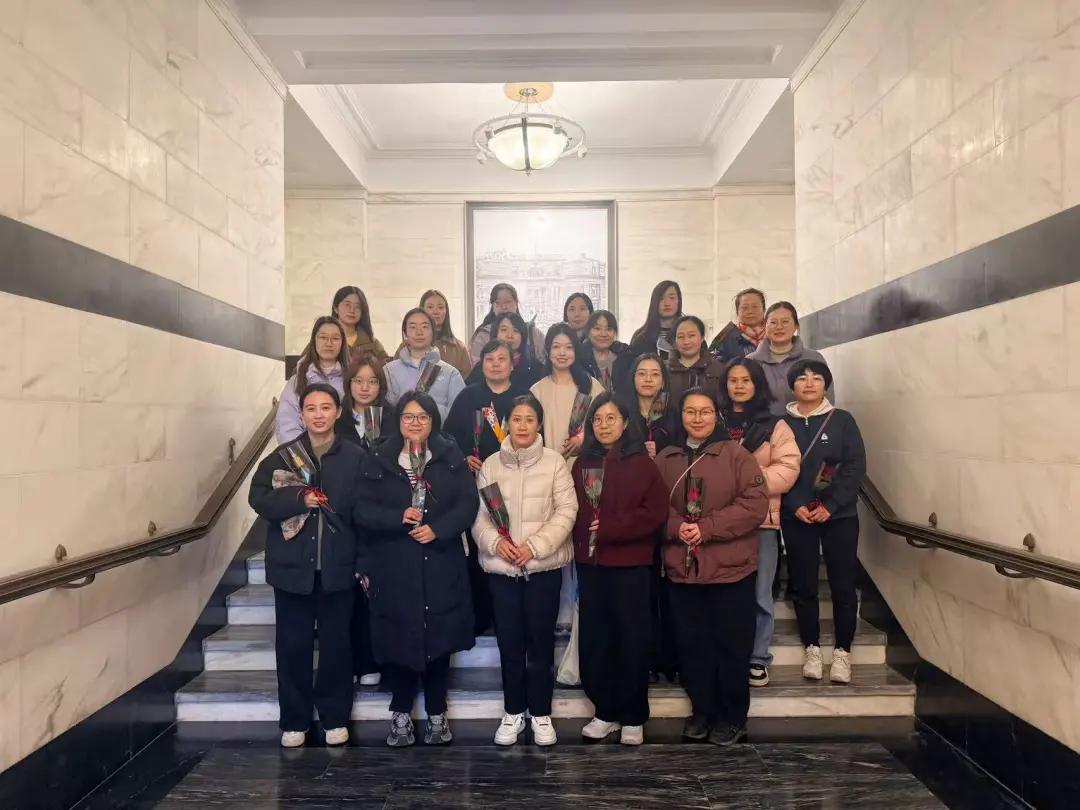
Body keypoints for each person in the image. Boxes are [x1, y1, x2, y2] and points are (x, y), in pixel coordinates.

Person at [356, 392, 479, 747]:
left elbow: (467, 504)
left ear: (433, 421)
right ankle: (400, 713)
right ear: (398, 421)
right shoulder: (378, 458)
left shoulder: (449, 455)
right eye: (408, 416)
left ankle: (437, 712)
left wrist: (438, 529)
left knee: (439, 638)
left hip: (440, 559)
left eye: (422, 416)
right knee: (398, 636)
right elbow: (361, 509)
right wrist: (397, 517)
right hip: (394, 563)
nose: (415, 423)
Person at [249, 383, 365, 749]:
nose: (318, 414)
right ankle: (294, 720)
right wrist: (298, 499)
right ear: (301, 414)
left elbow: (365, 513)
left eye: (326, 407)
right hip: (292, 571)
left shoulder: (355, 457)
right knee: (292, 647)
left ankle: (334, 717)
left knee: (337, 646)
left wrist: (362, 562)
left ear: (338, 412)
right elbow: (259, 499)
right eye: (311, 408)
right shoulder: (282, 457)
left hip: (337, 568)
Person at [655, 388, 769, 746]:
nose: (697, 418)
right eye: (690, 411)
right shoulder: (666, 458)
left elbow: (755, 505)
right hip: (682, 570)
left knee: (731, 646)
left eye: (705, 411)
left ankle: (732, 717)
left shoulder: (736, 455)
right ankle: (702, 710)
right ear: (680, 415)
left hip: (730, 570)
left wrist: (708, 527)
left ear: (716, 415)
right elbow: (651, 505)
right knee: (692, 645)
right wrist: (676, 526)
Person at [472, 395, 578, 747]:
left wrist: (533, 547)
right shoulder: (492, 464)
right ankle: (513, 711)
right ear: (506, 423)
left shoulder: (554, 463)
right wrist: (495, 544)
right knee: (510, 643)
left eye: (529, 419)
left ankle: (541, 712)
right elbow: (479, 516)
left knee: (540, 642)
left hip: (541, 569)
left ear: (539, 424)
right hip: (502, 570)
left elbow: (566, 511)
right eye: (516, 419)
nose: (522, 425)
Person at [571, 393, 666, 745]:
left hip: (630, 564)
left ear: (625, 423)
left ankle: (633, 715)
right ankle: (605, 711)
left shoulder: (642, 463)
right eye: (597, 419)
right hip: (591, 565)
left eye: (611, 418)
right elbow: (571, 508)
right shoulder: (582, 463)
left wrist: (612, 528)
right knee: (596, 639)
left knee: (632, 639)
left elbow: (655, 513)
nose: (604, 425)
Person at [782, 360, 865, 686]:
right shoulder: (780, 424)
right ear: (792, 386)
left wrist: (831, 505)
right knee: (804, 585)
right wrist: (794, 504)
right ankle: (812, 649)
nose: (809, 383)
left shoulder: (842, 420)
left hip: (838, 516)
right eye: (802, 378)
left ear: (826, 384)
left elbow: (855, 466)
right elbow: (775, 468)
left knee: (843, 584)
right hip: (797, 515)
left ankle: (843, 652)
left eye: (816, 378)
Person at [719, 358, 800, 688]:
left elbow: (788, 469)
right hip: (719, 520)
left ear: (757, 385)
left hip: (761, 522)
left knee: (760, 593)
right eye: (733, 380)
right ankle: (725, 652)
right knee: (723, 592)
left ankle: (757, 657)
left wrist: (747, 480)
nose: (739, 386)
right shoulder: (714, 419)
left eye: (746, 380)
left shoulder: (775, 425)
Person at [445, 339, 528, 634]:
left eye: (501, 359)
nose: (495, 364)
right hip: (476, 483)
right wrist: (462, 457)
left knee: (513, 542)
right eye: (489, 359)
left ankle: (514, 617)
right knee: (481, 546)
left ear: (512, 363)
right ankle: (480, 617)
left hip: (517, 483)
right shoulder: (469, 396)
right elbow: (447, 437)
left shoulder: (523, 396)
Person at [530, 324, 605, 635]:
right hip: (548, 475)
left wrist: (585, 438)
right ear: (547, 351)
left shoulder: (591, 387)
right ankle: (560, 613)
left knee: (580, 539)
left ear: (577, 350)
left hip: (585, 472)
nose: (562, 353)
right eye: (556, 347)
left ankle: (579, 611)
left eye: (569, 347)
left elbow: (605, 423)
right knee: (555, 539)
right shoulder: (537, 390)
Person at [618, 352, 678, 684]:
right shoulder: (622, 412)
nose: (648, 379)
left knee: (669, 586)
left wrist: (662, 453)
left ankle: (669, 656)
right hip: (633, 506)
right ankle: (645, 657)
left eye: (655, 374)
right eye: (642, 373)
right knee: (642, 589)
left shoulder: (673, 414)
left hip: (670, 502)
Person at [748, 302, 833, 416]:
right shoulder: (751, 361)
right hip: (763, 425)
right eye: (773, 322)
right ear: (765, 326)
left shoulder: (814, 358)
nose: (779, 327)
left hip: (807, 424)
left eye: (785, 321)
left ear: (796, 326)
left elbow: (827, 398)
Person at [277, 317, 349, 444]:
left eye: (335, 338)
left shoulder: (352, 379)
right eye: (323, 337)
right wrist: (303, 454)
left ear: (342, 343)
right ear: (314, 340)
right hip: (306, 453)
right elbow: (286, 424)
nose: (329, 343)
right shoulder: (298, 380)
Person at [384, 308, 466, 420]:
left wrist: (430, 413)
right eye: (413, 327)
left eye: (425, 326)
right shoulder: (389, 371)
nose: (419, 332)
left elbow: (460, 413)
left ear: (433, 331)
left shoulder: (450, 373)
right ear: (405, 332)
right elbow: (385, 412)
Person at [394, 290, 472, 378]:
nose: (435, 311)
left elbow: (466, 381)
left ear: (446, 312)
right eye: (430, 307)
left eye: (440, 307)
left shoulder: (459, 348)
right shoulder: (406, 347)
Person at [469, 283, 545, 364]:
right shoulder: (483, 335)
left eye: (508, 302)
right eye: (498, 303)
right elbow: (477, 365)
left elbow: (543, 363)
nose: (504, 307)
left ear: (516, 304)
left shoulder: (533, 333)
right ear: (493, 307)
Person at [466, 312, 544, 390]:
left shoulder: (535, 369)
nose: (509, 335)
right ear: (495, 335)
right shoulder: (482, 367)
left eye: (515, 330)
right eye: (504, 330)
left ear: (523, 336)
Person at [336, 354, 394, 451]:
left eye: (372, 382)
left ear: (380, 385)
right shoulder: (337, 417)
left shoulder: (392, 417)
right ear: (349, 383)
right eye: (358, 381)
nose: (365, 388)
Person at [667, 315, 724, 406]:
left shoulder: (717, 369)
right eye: (681, 336)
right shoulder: (664, 370)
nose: (686, 341)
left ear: (702, 338)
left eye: (692, 335)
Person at [331, 286, 389, 364]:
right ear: (335, 308)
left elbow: (387, 367)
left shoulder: (372, 343)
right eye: (347, 305)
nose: (352, 310)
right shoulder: (325, 340)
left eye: (357, 307)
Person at [627, 280, 683, 360]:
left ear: (679, 301)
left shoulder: (689, 333)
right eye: (661, 298)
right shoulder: (640, 337)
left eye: (672, 298)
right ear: (654, 302)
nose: (667, 303)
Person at [709, 288, 768, 363]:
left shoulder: (774, 333)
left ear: (764, 310)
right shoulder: (724, 336)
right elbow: (712, 364)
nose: (750, 311)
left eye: (755, 307)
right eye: (744, 308)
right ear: (737, 312)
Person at [577, 310, 629, 392]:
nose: (603, 334)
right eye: (597, 328)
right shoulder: (579, 358)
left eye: (609, 329)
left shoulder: (624, 356)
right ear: (588, 332)